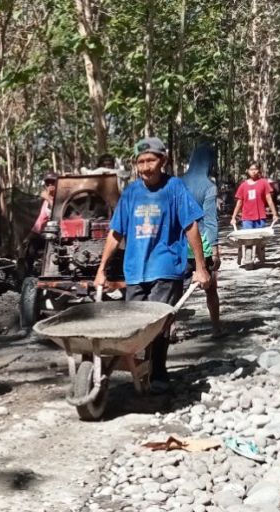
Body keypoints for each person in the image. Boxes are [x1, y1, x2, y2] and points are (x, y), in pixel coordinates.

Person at [94, 137, 209, 393]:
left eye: (151, 161)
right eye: (141, 162)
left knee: (158, 322)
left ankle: (158, 371)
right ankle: (140, 370)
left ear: (163, 161)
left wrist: (200, 267)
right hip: (135, 270)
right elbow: (115, 233)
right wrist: (101, 269)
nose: (145, 168)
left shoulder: (175, 188)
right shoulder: (132, 192)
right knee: (137, 327)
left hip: (166, 266)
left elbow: (191, 225)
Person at [180, 143, 223, 335]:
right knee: (211, 289)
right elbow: (210, 219)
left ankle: (170, 328)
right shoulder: (209, 186)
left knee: (175, 292)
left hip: (179, 246)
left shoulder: (177, 183)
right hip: (202, 246)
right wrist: (215, 249)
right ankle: (216, 327)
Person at [231, 162, 277, 262]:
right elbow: (239, 202)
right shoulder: (243, 185)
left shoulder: (263, 183)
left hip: (260, 216)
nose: (253, 171)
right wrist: (233, 216)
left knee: (260, 239)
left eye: (255, 169)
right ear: (248, 171)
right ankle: (242, 252)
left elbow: (269, 199)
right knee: (247, 239)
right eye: (251, 169)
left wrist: (274, 213)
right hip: (247, 217)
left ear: (259, 170)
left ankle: (260, 252)